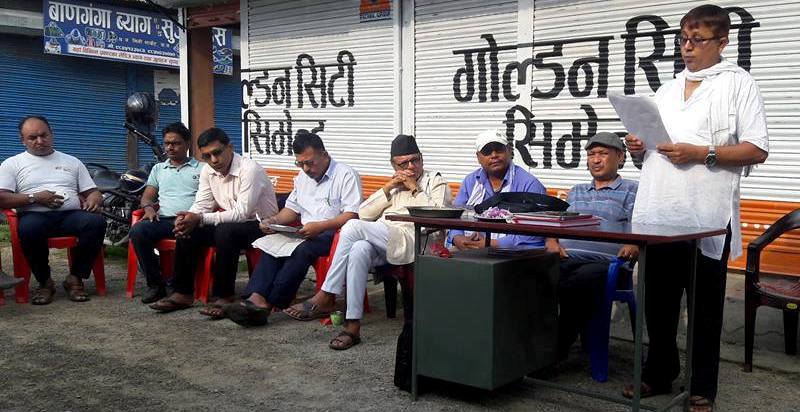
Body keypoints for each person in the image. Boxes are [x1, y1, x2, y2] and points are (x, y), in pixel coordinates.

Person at [622, 5, 769, 412]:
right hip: (659, 213)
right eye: (683, 39)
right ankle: (659, 372)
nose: (687, 48)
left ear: (722, 42)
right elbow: (652, 155)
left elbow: (756, 149)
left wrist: (701, 153)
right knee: (658, 305)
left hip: (707, 217)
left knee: (704, 309)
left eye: (698, 40)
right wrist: (638, 148)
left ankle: (702, 386)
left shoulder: (738, 84)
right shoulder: (667, 90)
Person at [285, 134, 451, 350]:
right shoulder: (395, 184)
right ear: (394, 165)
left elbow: (437, 217)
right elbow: (363, 213)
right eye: (403, 163)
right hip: (388, 238)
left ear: (422, 159)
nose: (411, 166)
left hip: (415, 239)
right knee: (359, 249)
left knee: (352, 226)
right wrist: (387, 188)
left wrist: (414, 188)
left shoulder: (435, 181)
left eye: (415, 160)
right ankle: (353, 326)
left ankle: (327, 293)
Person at [219, 131, 362, 327]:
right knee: (272, 244)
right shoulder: (302, 177)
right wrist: (273, 221)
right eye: (300, 164)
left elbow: (352, 215)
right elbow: (292, 210)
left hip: (335, 233)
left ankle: (271, 303)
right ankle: (256, 297)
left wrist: (320, 226)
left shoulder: (345, 174)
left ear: (324, 154)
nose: (306, 169)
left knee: (301, 249)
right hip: (306, 231)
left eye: (309, 163)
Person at [149, 127, 278, 313]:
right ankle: (182, 293)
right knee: (189, 229)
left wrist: (200, 217)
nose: (214, 160)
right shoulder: (208, 171)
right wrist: (187, 218)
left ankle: (224, 295)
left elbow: (241, 213)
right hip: (233, 224)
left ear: (230, 148)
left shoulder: (250, 169)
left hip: (262, 226)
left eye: (217, 153)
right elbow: (202, 204)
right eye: (207, 156)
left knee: (225, 230)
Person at [544, 132, 639, 360]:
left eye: (603, 154)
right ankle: (533, 346)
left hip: (610, 265)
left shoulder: (633, 190)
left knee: (577, 282)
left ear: (620, 157)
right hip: (567, 259)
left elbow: (642, 226)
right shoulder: (576, 191)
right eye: (591, 154)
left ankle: (556, 351)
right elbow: (557, 223)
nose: (596, 160)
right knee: (529, 274)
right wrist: (551, 240)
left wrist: (634, 243)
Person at [0, 115, 106, 304]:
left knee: (96, 222)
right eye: (32, 137)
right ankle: (44, 282)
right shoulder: (12, 164)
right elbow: (3, 198)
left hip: (71, 216)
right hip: (34, 216)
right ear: (22, 140)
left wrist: (94, 199)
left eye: (44, 135)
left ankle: (75, 278)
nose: (40, 141)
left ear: (52, 134)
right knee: (29, 229)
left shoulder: (72, 161)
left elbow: (92, 191)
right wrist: (35, 197)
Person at [129, 122, 202, 303]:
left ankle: (180, 287)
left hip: (190, 221)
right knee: (138, 231)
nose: (170, 147)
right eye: (167, 143)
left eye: (176, 143)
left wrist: (192, 217)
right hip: (163, 221)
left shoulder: (202, 169)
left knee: (186, 233)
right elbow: (147, 198)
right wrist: (148, 209)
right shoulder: (158, 169)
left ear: (187, 144)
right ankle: (156, 285)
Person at [448, 129, 547, 250]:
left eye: (499, 149)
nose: (494, 155)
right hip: (470, 249)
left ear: (509, 151)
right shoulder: (471, 181)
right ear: (478, 157)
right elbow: (455, 216)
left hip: (513, 254)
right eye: (487, 151)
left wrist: (493, 244)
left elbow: (535, 235)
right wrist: (457, 238)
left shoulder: (529, 184)